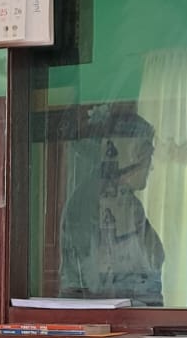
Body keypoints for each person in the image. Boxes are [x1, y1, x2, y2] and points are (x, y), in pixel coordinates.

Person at [59, 114, 165, 306]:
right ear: (131, 155)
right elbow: (94, 279)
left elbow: (155, 257)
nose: (150, 166)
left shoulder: (128, 202)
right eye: (146, 154)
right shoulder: (94, 201)